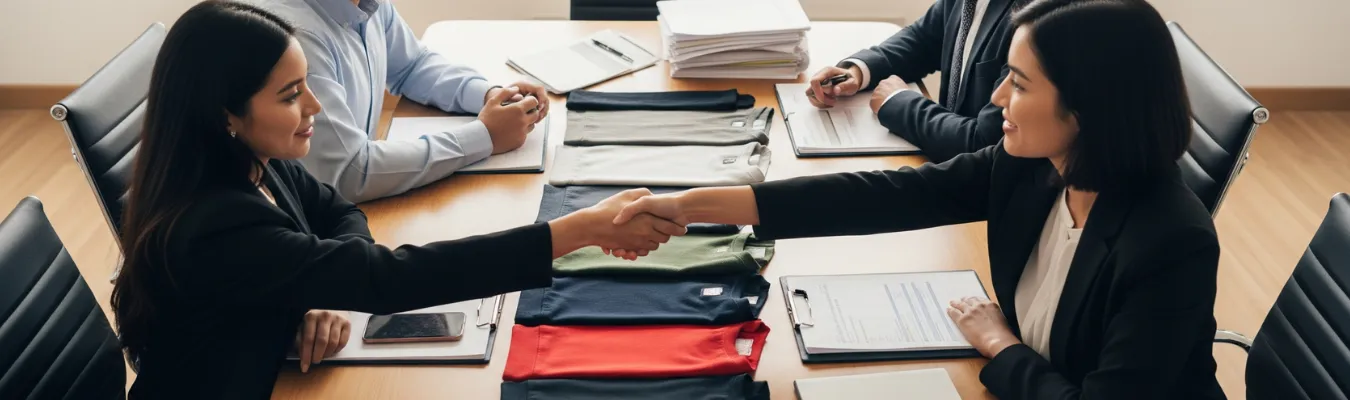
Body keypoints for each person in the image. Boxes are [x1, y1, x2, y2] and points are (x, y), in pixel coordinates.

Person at [611, 0, 1226, 398]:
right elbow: (883, 196)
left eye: (1018, 84)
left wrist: (1000, 345)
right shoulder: (1035, 165)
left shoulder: (1171, 244)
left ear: (1089, 108)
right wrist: (690, 207)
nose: (995, 102)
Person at [111, 2, 680, 398]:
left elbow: (341, 211)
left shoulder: (255, 163)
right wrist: (577, 231)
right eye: (290, 95)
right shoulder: (216, 224)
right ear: (226, 116)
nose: (314, 106)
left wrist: (314, 285)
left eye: (308, 83)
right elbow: (389, 279)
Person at [256, 0, 551, 203]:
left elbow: (412, 65)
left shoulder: (367, 5)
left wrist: (491, 95)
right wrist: (485, 135)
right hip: (314, 220)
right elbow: (349, 173)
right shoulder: (297, 34)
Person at [806, 0, 1017, 163]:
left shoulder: (1032, 15)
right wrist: (858, 71)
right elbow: (924, 40)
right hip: (941, 163)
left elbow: (985, 142)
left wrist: (897, 102)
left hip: (984, 193)